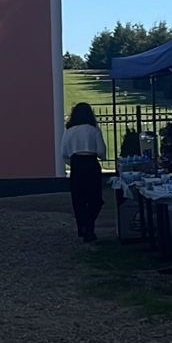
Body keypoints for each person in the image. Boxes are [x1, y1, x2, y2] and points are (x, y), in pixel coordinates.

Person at [60, 100, 107, 242]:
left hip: (77, 164)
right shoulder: (93, 130)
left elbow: (64, 152)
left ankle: (82, 227)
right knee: (95, 199)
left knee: (78, 199)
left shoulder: (69, 131)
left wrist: (72, 162)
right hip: (91, 163)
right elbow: (101, 152)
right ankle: (89, 226)